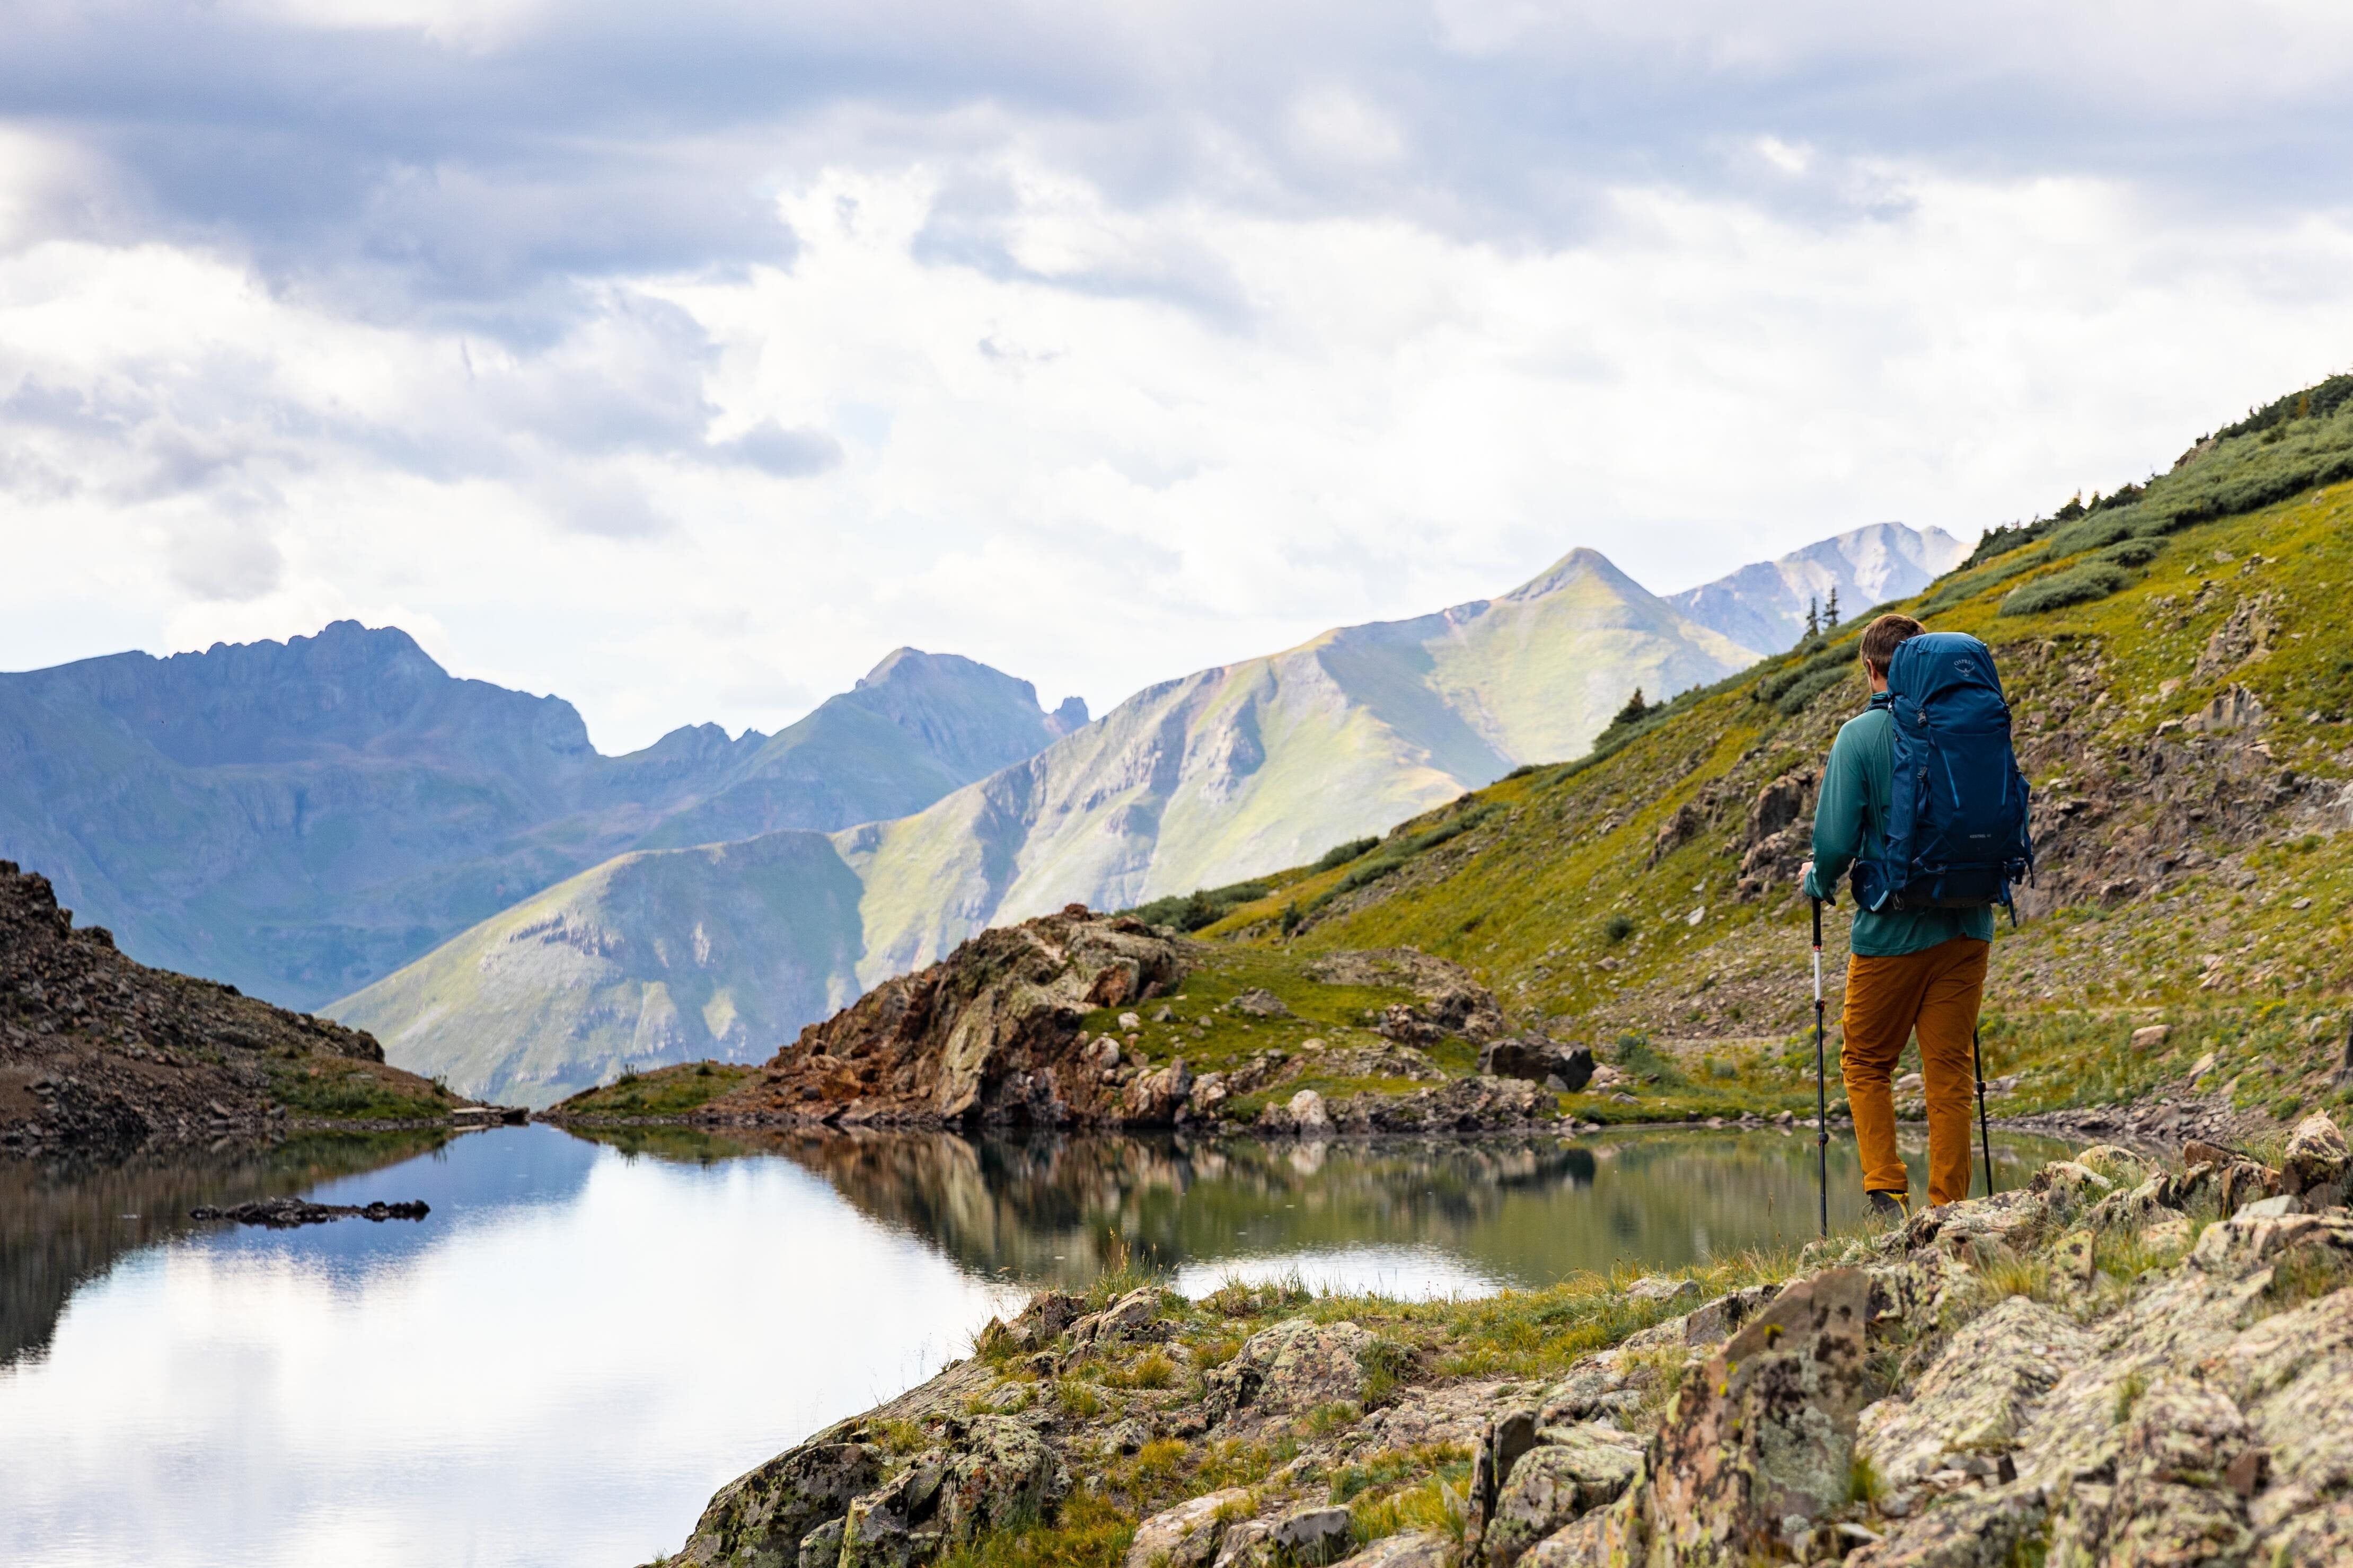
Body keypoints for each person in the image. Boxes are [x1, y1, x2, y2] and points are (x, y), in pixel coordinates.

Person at [1799, 613, 1994, 1217]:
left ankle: (1884, 1190)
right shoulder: (1966, 728)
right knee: (1948, 1070)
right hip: (1968, 925)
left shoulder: (1858, 737)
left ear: (1870, 667)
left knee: (1864, 1061)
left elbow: (1832, 843)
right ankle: (1949, 1210)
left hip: (1891, 931)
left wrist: (1817, 882)